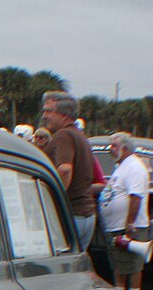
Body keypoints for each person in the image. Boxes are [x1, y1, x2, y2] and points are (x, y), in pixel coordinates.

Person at [41, 91, 98, 250]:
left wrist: (51, 199)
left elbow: (65, 170)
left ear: (64, 115)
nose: (44, 116)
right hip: (87, 217)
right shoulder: (81, 136)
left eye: (49, 111)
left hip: (70, 217)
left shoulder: (63, 135)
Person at [99, 131, 151, 290]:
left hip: (128, 226)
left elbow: (135, 196)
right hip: (117, 227)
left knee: (133, 266)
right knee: (119, 265)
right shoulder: (122, 166)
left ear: (126, 148)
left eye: (114, 145)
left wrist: (130, 223)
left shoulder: (134, 166)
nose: (110, 149)